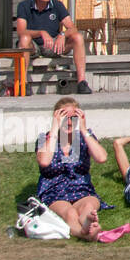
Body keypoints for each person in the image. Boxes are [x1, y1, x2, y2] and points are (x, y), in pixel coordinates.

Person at [35, 97, 108, 241]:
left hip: (82, 189)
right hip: (54, 190)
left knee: (88, 206)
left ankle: (88, 223)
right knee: (70, 213)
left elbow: (102, 158)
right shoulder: (45, 138)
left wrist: (83, 129)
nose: (69, 122)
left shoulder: (84, 136)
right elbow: (44, 161)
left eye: (73, 118)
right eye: (64, 118)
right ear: (56, 118)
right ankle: (84, 233)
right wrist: (55, 128)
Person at [16, 0, 89, 93]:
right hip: (33, 46)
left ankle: (82, 82)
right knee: (24, 38)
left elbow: (72, 28)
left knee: (78, 37)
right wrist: (41, 32)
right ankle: (23, 84)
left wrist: (63, 34)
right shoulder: (24, 5)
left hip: (54, 45)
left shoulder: (57, 5)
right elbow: (21, 31)